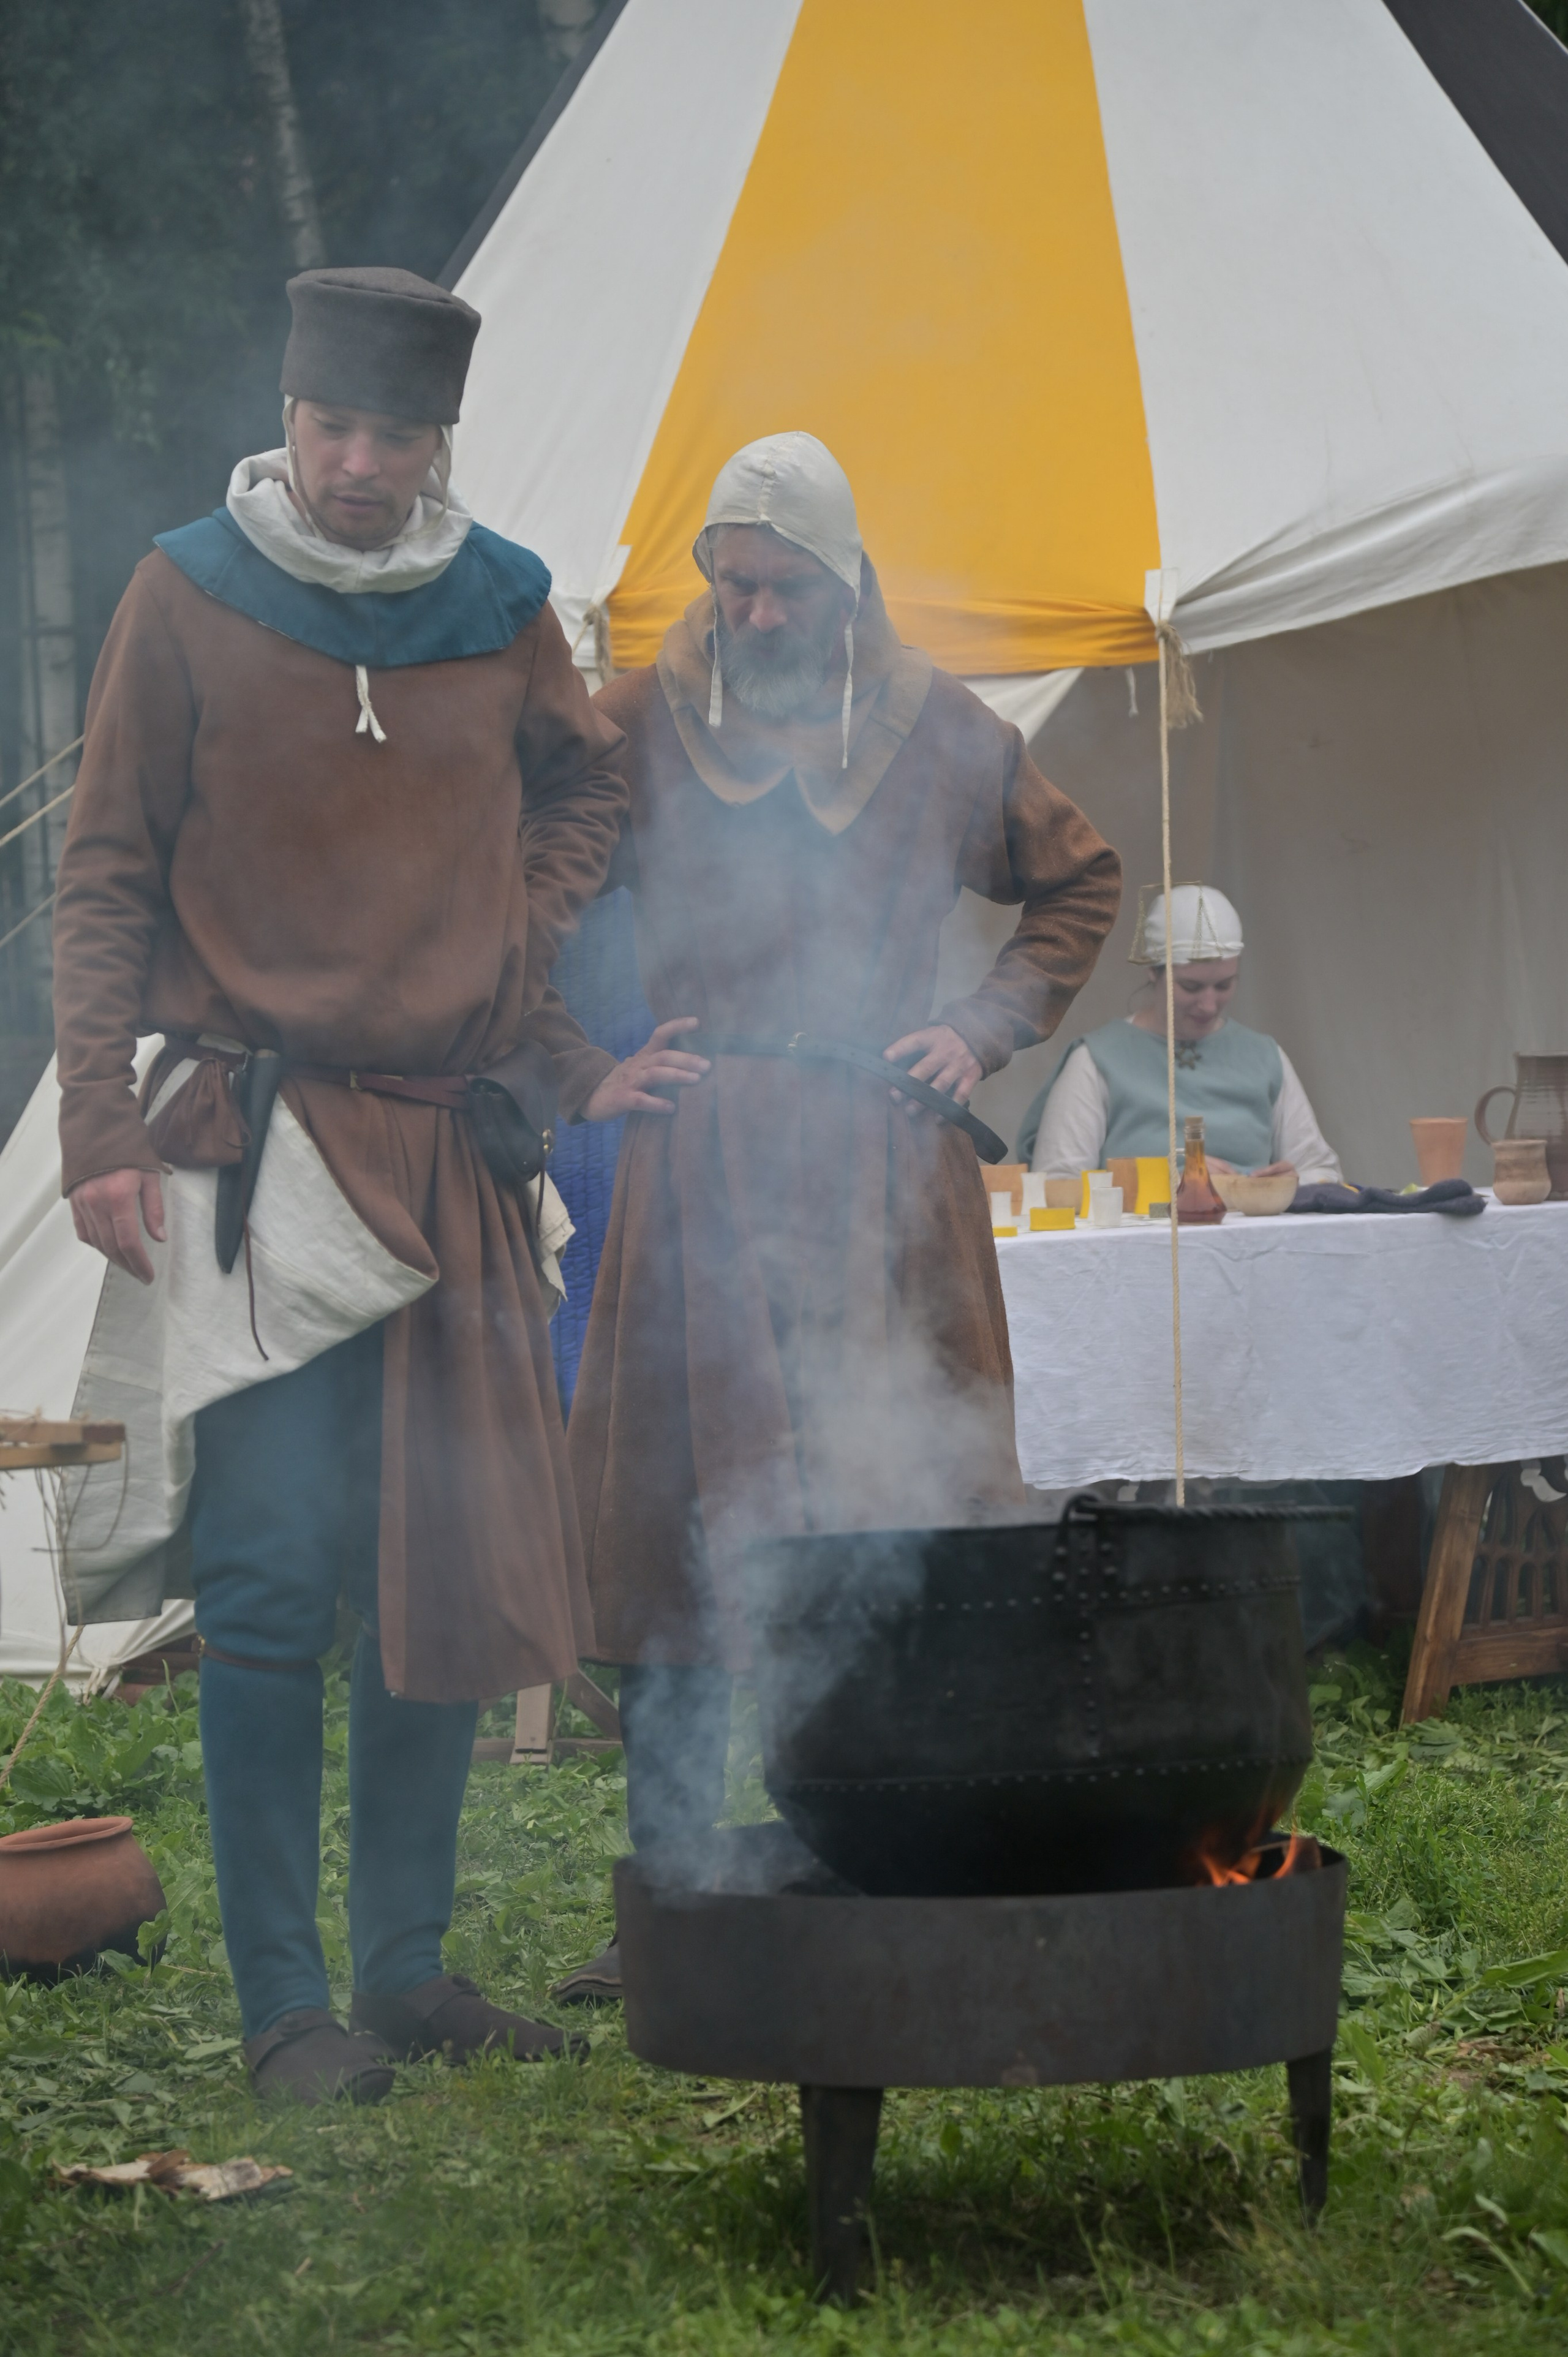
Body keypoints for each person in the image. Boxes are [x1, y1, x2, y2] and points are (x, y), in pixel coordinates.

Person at [51, 266, 630, 2102]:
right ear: (289, 416)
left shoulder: (502, 605)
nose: (360, 462)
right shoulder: (185, 594)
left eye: (395, 432)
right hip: (262, 1150)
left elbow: (589, 797)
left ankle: (402, 1969)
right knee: (276, 1577)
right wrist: (92, 1122)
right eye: (332, 425)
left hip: (446, 1147)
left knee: (430, 1567)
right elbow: (104, 869)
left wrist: (511, 928)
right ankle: (286, 2007)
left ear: (437, 436)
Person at [554, 432, 1121, 1999]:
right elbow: (517, 878)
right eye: (726, 584)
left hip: (883, 1163)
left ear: (842, 579)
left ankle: (880, 1847)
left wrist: (985, 1026)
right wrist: (578, 1060)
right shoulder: (637, 724)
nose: (746, 613)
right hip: (703, 1155)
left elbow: (1078, 882)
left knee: (893, 1503)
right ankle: (665, 1887)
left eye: (777, 586)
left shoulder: (940, 732)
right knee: (678, 1516)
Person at [1021, 883, 1341, 1181]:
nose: (1208, 1004)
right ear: (1153, 971)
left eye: (1224, 985)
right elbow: (1058, 1182)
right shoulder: (1096, 1059)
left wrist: (1294, 1182)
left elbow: (1320, 1169)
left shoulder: (1265, 1057)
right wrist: (1166, 1183)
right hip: (1148, 1242)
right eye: (1191, 986)